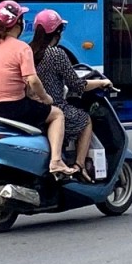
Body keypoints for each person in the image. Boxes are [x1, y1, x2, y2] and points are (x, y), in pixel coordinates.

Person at [0, 0, 77, 177]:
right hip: (12, 109)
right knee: (56, 114)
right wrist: (46, 98)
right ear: (18, 23)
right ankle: (56, 161)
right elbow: (33, 80)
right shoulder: (22, 48)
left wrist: (29, 93)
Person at [30, 10, 113, 182]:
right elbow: (78, 85)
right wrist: (101, 83)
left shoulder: (28, 51)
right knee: (85, 120)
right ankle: (79, 166)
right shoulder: (56, 54)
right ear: (57, 32)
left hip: (32, 108)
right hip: (54, 106)